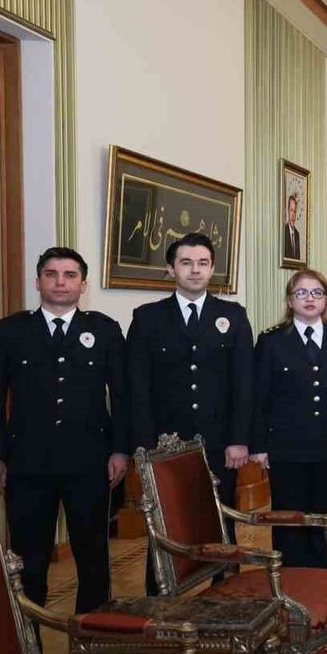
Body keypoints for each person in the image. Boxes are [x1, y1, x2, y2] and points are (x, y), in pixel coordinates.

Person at [0, 247, 128, 617]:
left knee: (93, 557)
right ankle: (28, 638)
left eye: (70, 275)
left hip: (90, 462)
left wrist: (121, 449)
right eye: (52, 274)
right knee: (29, 560)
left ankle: (93, 636)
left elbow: (124, 395)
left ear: (83, 285)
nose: (61, 282)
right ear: (38, 281)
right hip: (27, 464)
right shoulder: (11, 331)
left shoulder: (104, 330)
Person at [127, 232, 254, 591]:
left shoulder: (233, 316)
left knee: (222, 520)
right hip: (165, 444)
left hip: (220, 442)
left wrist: (239, 439)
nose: (195, 270)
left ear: (212, 269)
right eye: (186, 262)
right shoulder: (148, 318)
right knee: (164, 522)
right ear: (171, 269)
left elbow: (244, 383)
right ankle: (160, 602)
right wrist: (143, 447)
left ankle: (226, 596)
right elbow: (138, 387)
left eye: (202, 263)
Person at [250, 270, 327, 568]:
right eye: (301, 293)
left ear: (326, 299)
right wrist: (259, 445)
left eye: (317, 292)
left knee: (323, 513)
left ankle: (319, 575)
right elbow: (259, 397)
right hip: (285, 446)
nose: (310, 299)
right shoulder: (271, 341)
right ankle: (289, 577)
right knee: (288, 516)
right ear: (290, 300)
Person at [284, 194, 302, 261]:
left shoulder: (297, 234)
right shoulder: (283, 232)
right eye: (291, 210)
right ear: (287, 211)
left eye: (295, 211)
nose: (293, 215)